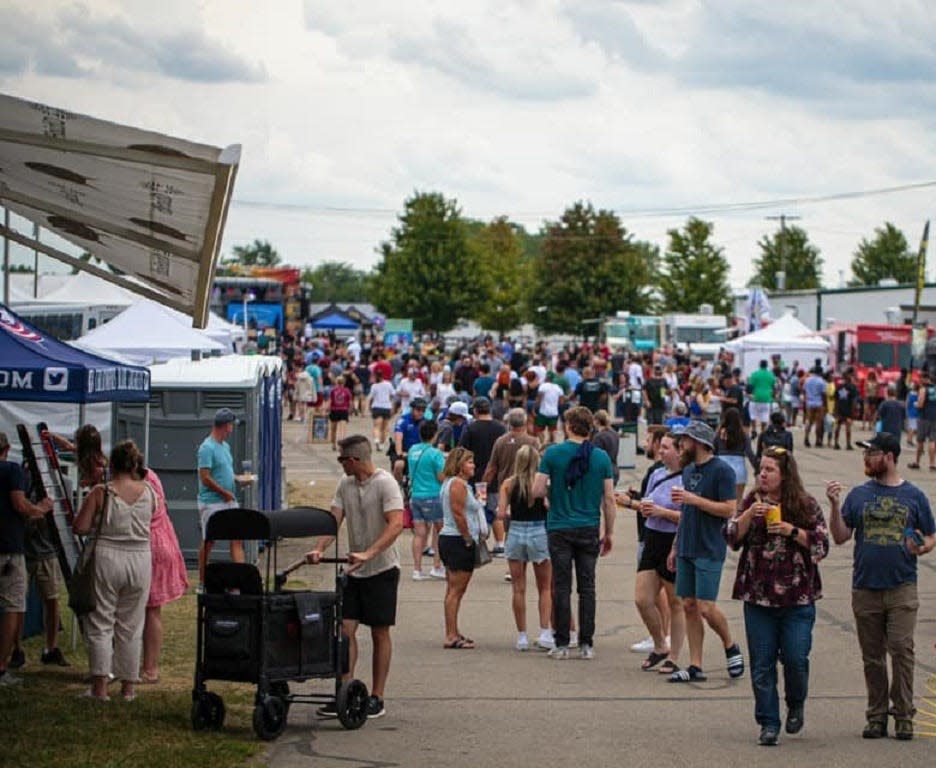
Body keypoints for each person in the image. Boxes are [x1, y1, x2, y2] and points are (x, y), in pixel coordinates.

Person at [827, 432, 936, 740]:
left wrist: (924, 548)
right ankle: (876, 715)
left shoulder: (914, 496)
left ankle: (903, 714)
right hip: (865, 587)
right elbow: (840, 536)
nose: (865, 459)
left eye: (871, 454)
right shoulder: (858, 495)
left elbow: (930, 534)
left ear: (888, 457)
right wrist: (835, 505)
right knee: (872, 656)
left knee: (902, 649)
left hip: (902, 586)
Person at [726, 446, 830, 746]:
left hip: (797, 598)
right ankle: (768, 723)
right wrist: (747, 514)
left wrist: (791, 530)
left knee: (796, 659)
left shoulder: (805, 504)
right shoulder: (751, 501)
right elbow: (731, 538)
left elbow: (821, 545)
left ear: (785, 474)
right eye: (761, 470)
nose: (763, 475)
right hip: (758, 598)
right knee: (762, 664)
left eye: (770, 470)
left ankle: (795, 702)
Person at [306, 435, 404, 720]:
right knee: (346, 630)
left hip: (383, 569)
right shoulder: (346, 485)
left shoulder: (386, 483)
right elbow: (333, 519)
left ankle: (377, 697)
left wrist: (369, 553)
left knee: (379, 631)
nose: (341, 466)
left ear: (354, 460)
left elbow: (396, 524)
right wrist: (318, 547)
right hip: (354, 572)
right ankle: (345, 691)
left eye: (342, 460)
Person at [73, 440, 155, 702]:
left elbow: (81, 527)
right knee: (131, 624)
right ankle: (128, 687)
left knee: (100, 622)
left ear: (112, 464)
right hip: (140, 558)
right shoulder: (150, 492)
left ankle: (100, 688)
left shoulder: (101, 492)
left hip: (107, 556)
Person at [533, 406, 616, 660]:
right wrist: (609, 531)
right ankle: (586, 643)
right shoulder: (600, 457)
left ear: (568, 426)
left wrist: (552, 494)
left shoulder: (553, 453)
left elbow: (536, 490)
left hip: (559, 524)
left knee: (561, 585)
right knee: (587, 586)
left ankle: (561, 642)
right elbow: (609, 499)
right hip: (588, 525)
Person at [666, 420, 744, 683]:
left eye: (684, 440)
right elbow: (686, 513)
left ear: (699, 442)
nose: (681, 445)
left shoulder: (722, 471)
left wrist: (694, 499)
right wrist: (675, 547)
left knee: (706, 607)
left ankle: (730, 645)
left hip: (710, 546)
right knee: (688, 605)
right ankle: (695, 665)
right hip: (687, 543)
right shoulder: (688, 470)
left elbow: (729, 509)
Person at [0, 432, 54, 687]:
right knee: (13, 606)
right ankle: (2, 667)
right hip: (9, 549)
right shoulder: (11, 471)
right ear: (7, 448)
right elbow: (20, 505)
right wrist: (41, 508)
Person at [633, 432, 686, 676]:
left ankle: (674, 656)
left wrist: (661, 511)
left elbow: (688, 517)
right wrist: (639, 505)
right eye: (661, 447)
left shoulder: (688, 479)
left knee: (676, 602)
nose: (660, 451)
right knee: (643, 599)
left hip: (673, 540)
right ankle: (659, 644)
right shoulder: (657, 473)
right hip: (652, 538)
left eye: (666, 447)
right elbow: (648, 502)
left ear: (679, 451)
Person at [497, 445, 553, 652]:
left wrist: (509, 510)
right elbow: (550, 506)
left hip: (517, 532)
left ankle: (522, 636)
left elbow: (501, 514)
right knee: (545, 587)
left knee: (518, 588)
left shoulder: (509, 484)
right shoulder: (543, 484)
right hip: (539, 531)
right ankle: (545, 631)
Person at [140, 464, 188, 683]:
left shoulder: (135, 485)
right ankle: (150, 668)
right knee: (153, 610)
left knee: (139, 611)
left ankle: (142, 668)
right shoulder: (152, 476)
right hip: (164, 540)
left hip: (147, 546)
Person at [437, 447, 485, 649]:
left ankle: (454, 631)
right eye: (469, 462)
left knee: (454, 590)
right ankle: (450, 635)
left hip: (451, 538)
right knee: (456, 590)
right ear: (459, 465)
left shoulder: (456, 484)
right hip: (457, 539)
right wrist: (467, 538)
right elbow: (458, 515)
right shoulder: (457, 484)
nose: (473, 465)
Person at [197, 408, 243, 587]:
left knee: (237, 537)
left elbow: (225, 472)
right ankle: (202, 581)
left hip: (229, 500)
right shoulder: (206, 448)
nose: (232, 429)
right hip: (212, 502)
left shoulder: (225, 447)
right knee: (209, 540)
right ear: (225, 426)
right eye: (231, 425)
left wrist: (238, 480)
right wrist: (223, 492)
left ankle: (240, 580)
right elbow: (205, 477)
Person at [459, 397, 507, 554]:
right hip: (495, 477)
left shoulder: (471, 429)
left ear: (475, 411)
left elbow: (462, 452)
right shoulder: (500, 428)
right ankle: (500, 543)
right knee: (494, 510)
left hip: (476, 477)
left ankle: (478, 542)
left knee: (476, 510)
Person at [407, 421, 446, 581]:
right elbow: (441, 477)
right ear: (435, 435)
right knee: (440, 531)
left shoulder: (412, 450)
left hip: (415, 495)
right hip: (433, 495)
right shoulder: (435, 454)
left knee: (419, 533)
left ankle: (417, 569)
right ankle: (437, 566)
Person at [714, 407, 757, 505]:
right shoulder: (743, 435)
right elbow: (750, 453)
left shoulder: (719, 433)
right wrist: (757, 468)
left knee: (721, 500)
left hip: (721, 464)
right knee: (738, 501)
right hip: (739, 466)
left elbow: (713, 450)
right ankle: (736, 519)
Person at [748, 360, 776, 437]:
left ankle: (753, 429)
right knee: (765, 416)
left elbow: (750, 386)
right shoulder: (771, 375)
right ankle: (763, 431)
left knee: (753, 415)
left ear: (759, 365)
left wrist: (750, 394)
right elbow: (774, 386)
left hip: (755, 398)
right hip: (766, 398)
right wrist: (773, 396)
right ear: (767, 365)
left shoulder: (755, 374)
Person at [368, 368, 395, 450]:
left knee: (377, 426)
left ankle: (376, 439)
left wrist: (369, 406)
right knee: (385, 427)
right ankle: (382, 444)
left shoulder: (374, 386)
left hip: (376, 407)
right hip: (386, 407)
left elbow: (371, 397)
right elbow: (392, 394)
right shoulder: (388, 384)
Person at [833, 369, 859, 451]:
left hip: (840, 408)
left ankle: (836, 443)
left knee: (838, 425)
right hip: (848, 408)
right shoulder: (852, 387)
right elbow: (854, 400)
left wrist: (835, 409)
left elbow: (835, 398)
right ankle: (848, 444)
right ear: (849, 376)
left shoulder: (839, 386)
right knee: (848, 426)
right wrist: (855, 410)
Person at [802, 365, 827, 448]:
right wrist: (825, 405)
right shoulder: (821, 381)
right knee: (818, 423)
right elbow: (823, 394)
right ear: (820, 372)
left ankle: (806, 438)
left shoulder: (807, 380)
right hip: (818, 403)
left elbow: (804, 391)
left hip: (809, 403)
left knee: (809, 422)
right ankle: (817, 440)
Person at [327, 374, 353, 450]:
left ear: (336, 382)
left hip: (334, 410)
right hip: (344, 410)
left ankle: (333, 444)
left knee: (333, 429)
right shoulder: (347, 391)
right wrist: (351, 409)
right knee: (342, 429)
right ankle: (341, 444)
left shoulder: (333, 390)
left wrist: (327, 409)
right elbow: (350, 402)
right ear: (344, 383)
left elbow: (330, 401)